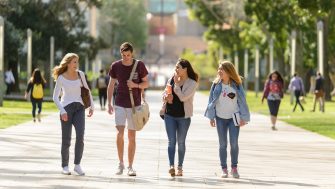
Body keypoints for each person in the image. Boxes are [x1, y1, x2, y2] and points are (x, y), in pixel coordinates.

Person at [107, 42, 149, 176]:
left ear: (132, 53)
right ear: (121, 54)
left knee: (132, 136)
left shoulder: (139, 65)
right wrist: (109, 103)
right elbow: (111, 85)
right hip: (119, 103)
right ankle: (121, 163)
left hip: (134, 105)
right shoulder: (116, 66)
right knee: (119, 133)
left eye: (128, 55)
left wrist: (135, 85)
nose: (126, 57)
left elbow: (146, 83)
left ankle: (131, 166)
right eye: (123, 55)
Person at [205, 60, 250, 179]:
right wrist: (211, 117)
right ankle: (224, 169)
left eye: (222, 69)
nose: (219, 71)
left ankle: (234, 168)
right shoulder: (216, 84)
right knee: (222, 144)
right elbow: (211, 101)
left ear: (229, 72)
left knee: (234, 143)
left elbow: (243, 102)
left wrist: (243, 118)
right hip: (220, 118)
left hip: (234, 118)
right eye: (219, 69)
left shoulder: (237, 84)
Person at [52, 53, 94, 176]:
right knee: (66, 139)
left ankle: (77, 165)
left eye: (77, 62)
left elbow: (87, 90)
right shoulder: (61, 77)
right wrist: (62, 111)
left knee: (80, 136)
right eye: (74, 62)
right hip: (66, 109)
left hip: (79, 108)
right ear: (68, 63)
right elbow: (55, 97)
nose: (76, 64)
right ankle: (65, 165)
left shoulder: (80, 74)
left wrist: (92, 105)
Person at [162, 58, 198, 177]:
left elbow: (183, 98)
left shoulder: (192, 83)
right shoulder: (171, 78)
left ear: (185, 69)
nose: (176, 69)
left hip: (184, 117)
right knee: (171, 142)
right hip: (169, 115)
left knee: (181, 142)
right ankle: (171, 166)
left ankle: (180, 167)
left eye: (178, 67)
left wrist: (176, 86)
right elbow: (165, 93)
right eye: (175, 67)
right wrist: (166, 97)